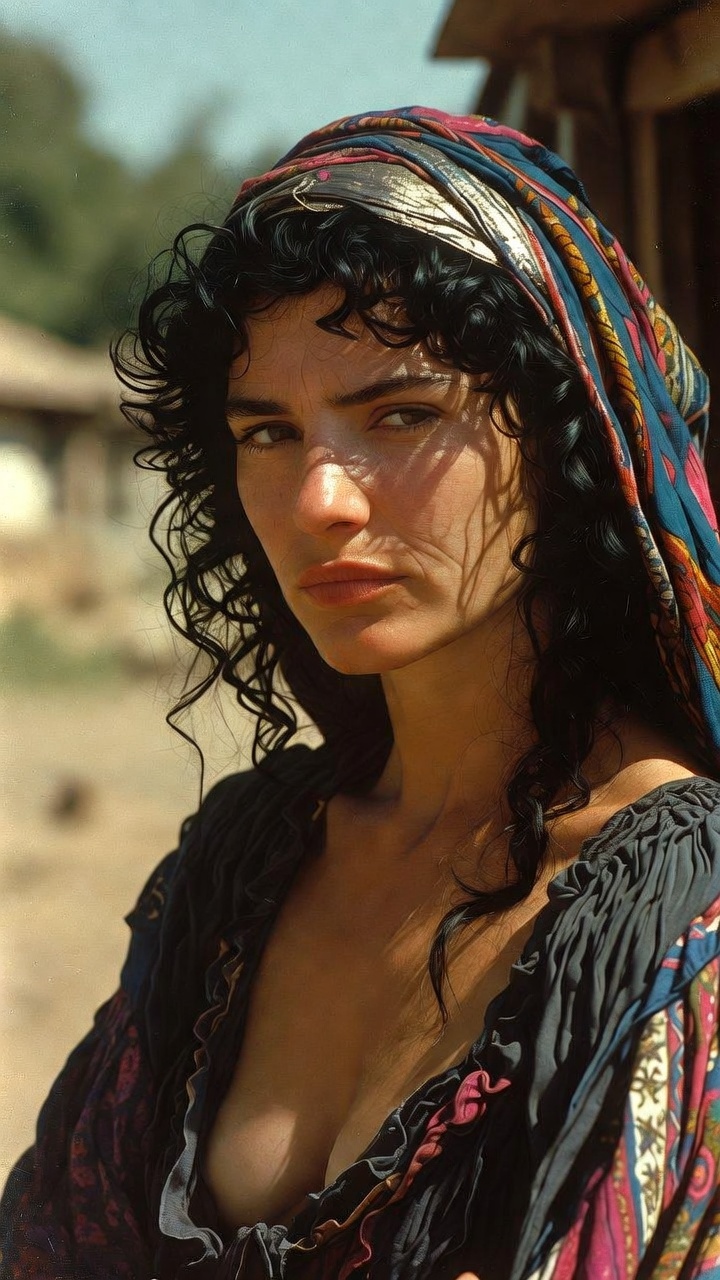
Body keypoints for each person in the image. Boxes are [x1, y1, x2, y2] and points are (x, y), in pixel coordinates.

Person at [3, 106, 720, 1280]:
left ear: (564, 439)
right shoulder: (245, 865)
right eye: (270, 431)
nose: (319, 499)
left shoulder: (679, 926)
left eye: (402, 414)